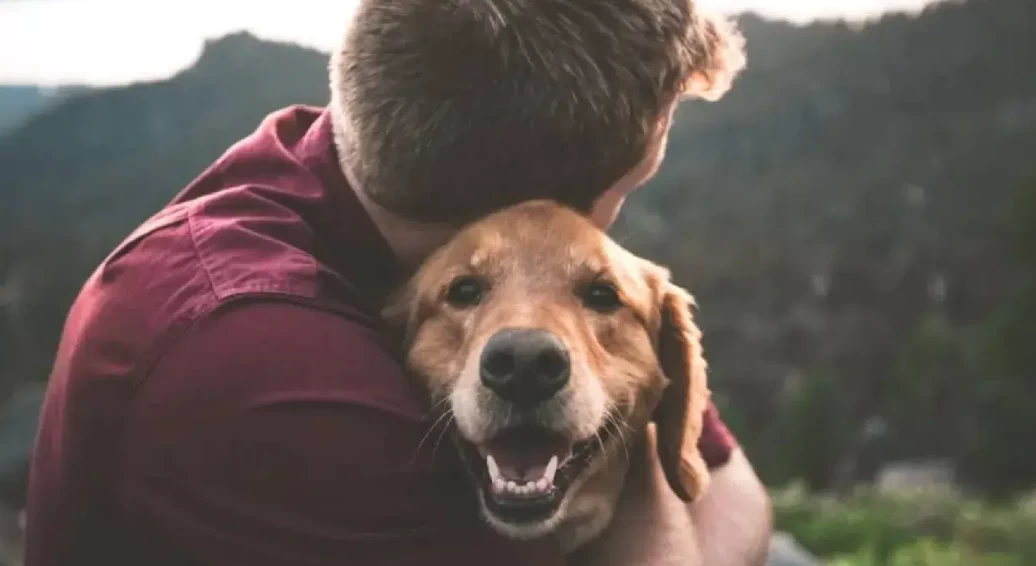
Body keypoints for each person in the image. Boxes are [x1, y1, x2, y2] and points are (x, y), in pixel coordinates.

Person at [25, 0, 771, 565]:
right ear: (540, 202)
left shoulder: (347, 169)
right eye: (637, 175)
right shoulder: (261, 366)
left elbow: (732, 488)